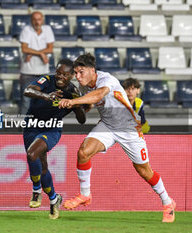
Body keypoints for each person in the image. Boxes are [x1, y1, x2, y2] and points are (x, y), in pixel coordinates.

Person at [58, 53, 176, 223]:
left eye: (81, 72)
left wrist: (72, 102)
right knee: (83, 152)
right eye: (76, 73)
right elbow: (91, 104)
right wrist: (71, 105)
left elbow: (99, 95)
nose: (77, 76)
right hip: (107, 125)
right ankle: (85, 195)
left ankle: (167, 202)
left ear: (92, 70)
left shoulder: (107, 79)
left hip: (129, 128)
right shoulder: (84, 86)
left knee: (144, 171)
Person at [23, 58, 86, 219]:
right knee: (42, 166)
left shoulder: (73, 92)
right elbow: (28, 90)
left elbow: (82, 120)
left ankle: (36, 190)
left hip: (51, 129)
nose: (60, 76)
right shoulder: (47, 80)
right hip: (32, 125)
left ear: (71, 75)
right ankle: (54, 198)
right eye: (58, 72)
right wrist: (45, 96)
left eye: (64, 74)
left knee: (31, 154)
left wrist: (75, 103)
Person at [19, 11, 55, 114]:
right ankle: (23, 126)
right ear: (31, 20)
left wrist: (33, 52)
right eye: (34, 19)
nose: (37, 22)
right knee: (26, 100)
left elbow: (50, 49)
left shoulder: (47, 29)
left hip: (43, 71)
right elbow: (24, 49)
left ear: (42, 20)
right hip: (27, 72)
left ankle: (40, 125)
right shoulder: (26, 30)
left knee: (43, 100)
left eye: (39, 19)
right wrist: (41, 54)